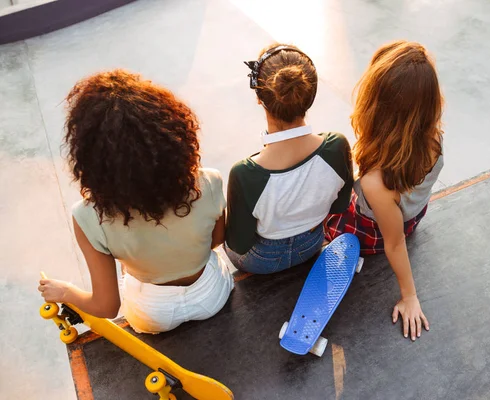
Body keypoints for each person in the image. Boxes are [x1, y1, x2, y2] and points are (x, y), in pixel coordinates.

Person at [38, 70, 234, 334]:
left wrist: (66, 291)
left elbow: (107, 308)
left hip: (152, 314)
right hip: (212, 295)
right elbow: (215, 241)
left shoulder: (87, 217)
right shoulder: (208, 181)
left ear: (90, 158)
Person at [325, 41, 444, 341]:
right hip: (413, 215)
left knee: (322, 209)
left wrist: (410, 296)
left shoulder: (375, 182)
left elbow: (394, 243)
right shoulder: (435, 138)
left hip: (374, 233)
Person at [225, 44, 353, 274]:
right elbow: (340, 205)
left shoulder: (245, 173)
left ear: (258, 97)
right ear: (309, 96)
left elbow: (238, 244)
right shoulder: (337, 146)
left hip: (260, 261)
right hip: (312, 245)